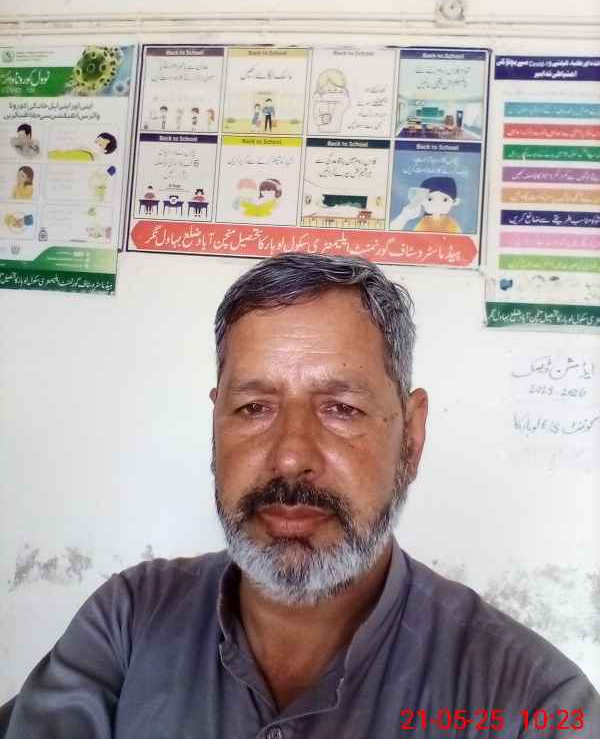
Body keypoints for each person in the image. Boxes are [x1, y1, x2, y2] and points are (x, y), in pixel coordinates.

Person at [1, 252, 599, 739]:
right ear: (215, 424)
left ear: (411, 438)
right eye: (253, 407)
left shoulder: (533, 705)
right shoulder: (130, 622)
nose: (290, 456)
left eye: (340, 408)